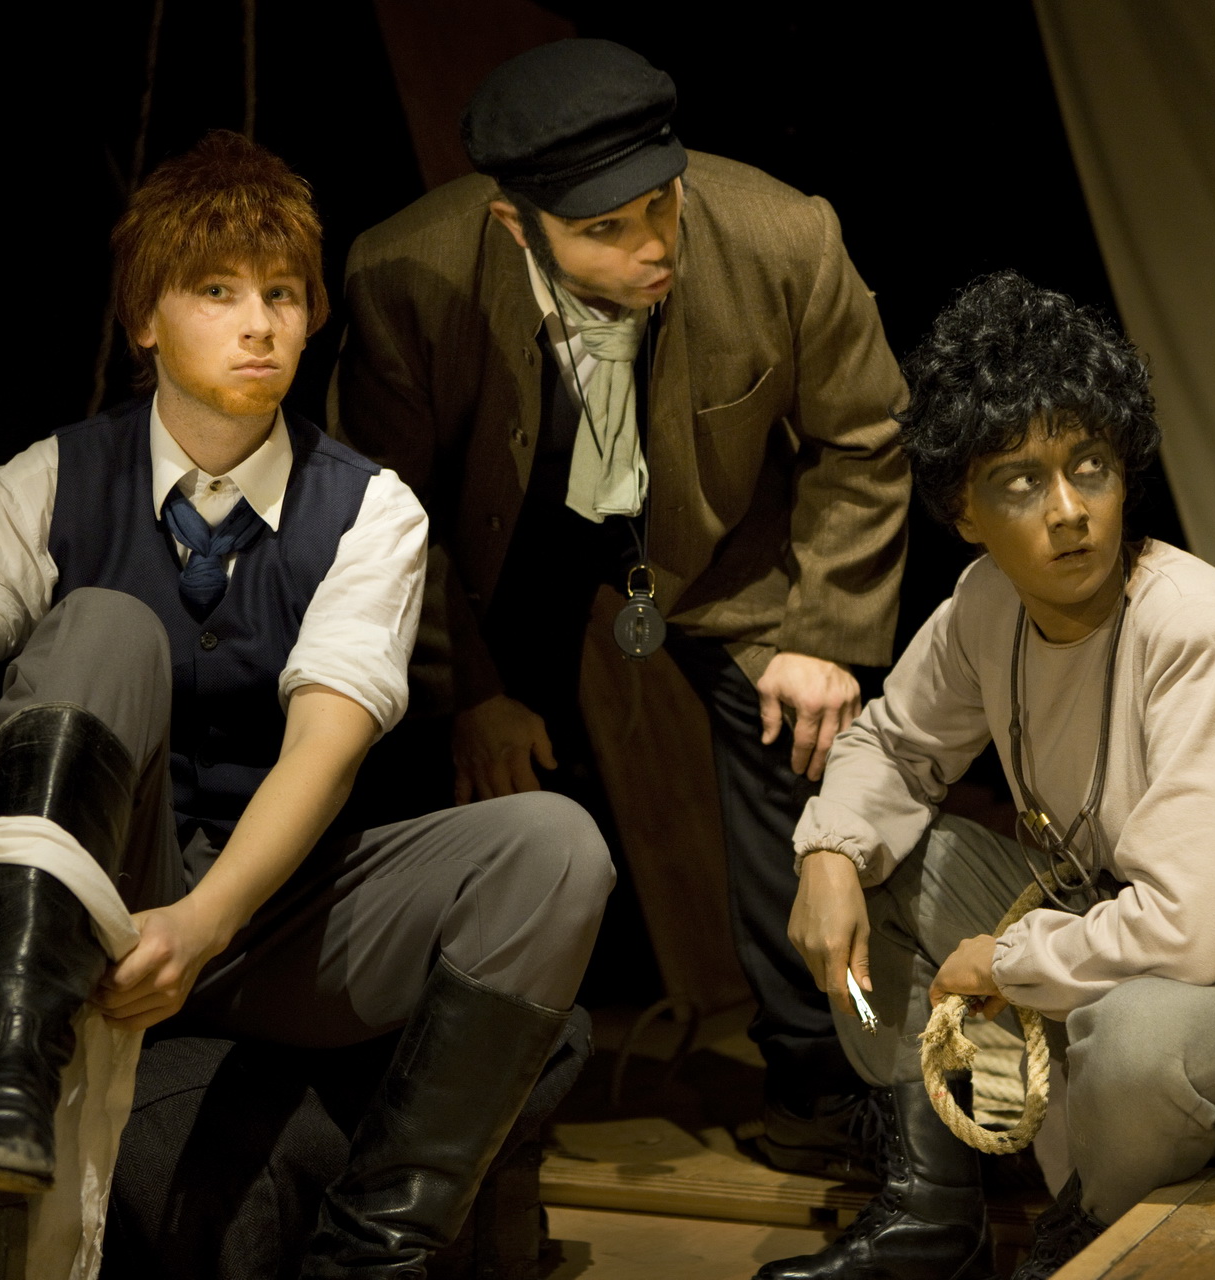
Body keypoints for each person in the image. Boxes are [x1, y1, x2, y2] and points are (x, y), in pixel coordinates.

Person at [0, 130, 613, 1278]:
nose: (260, 324)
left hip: (270, 920)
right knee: (106, 623)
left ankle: (375, 1246)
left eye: (283, 294)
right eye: (216, 291)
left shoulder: (369, 509)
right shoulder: (50, 481)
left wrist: (204, 924)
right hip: (92, 901)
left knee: (556, 845)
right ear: (143, 320)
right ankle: (0, 1075)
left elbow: (325, 748)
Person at [764, 272, 1215, 1280]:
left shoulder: (1193, 627)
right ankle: (930, 1207)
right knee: (881, 873)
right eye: (1021, 482)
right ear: (964, 510)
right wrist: (830, 852)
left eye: (1090, 467)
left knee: (1138, 1039)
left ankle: (1084, 1236)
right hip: (1126, 954)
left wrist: (1006, 960)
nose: (1069, 512)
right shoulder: (986, 604)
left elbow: (1193, 932)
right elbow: (890, 746)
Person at [334, 39, 910, 1175]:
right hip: (497, 545)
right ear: (517, 225)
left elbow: (864, 439)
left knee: (803, 743)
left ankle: (818, 1080)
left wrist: (821, 638)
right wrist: (471, 692)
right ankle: (449, 1101)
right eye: (605, 228)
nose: (652, 246)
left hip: (711, 543)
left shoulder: (785, 237)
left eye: (662, 205)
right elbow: (384, 517)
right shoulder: (407, 275)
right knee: (426, 754)